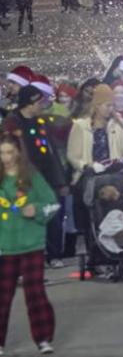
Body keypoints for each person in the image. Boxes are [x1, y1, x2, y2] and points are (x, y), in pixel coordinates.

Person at [0, 136, 58, 355]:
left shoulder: (33, 177)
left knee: (34, 293)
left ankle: (43, 339)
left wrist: (37, 209)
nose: (5, 158)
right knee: (2, 296)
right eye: (1, 153)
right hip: (4, 247)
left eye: (9, 152)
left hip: (32, 245)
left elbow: (52, 203)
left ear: (18, 153)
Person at [2, 86, 70, 268]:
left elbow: (52, 151)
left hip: (47, 177)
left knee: (52, 213)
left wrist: (60, 179)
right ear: (29, 103)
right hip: (24, 177)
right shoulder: (12, 123)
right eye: (39, 102)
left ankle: (54, 254)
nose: (43, 105)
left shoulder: (41, 121)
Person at [65, 84, 123, 184]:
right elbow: (73, 156)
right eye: (107, 105)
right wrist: (88, 167)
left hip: (114, 177)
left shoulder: (116, 125)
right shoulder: (81, 126)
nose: (111, 109)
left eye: (112, 105)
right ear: (97, 105)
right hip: (88, 179)